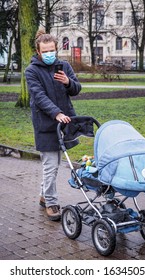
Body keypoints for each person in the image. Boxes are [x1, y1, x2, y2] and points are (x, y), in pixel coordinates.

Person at [25, 28, 81, 221]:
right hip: (46, 124)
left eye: (52, 50)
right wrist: (56, 113)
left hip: (63, 123)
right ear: (38, 52)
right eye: (45, 51)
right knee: (51, 165)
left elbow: (76, 89)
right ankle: (51, 202)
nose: (49, 54)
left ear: (56, 49)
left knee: (54, 164)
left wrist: (67, 82)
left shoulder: (64, 66)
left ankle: (44, 196)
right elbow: (38, 96)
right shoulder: (32, 71)